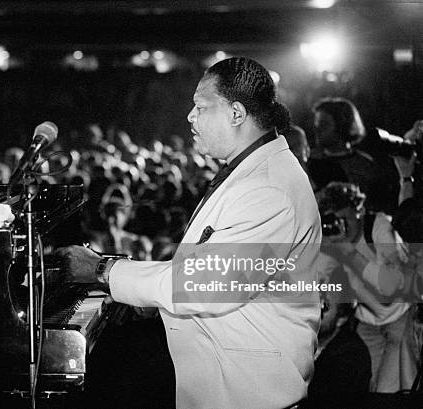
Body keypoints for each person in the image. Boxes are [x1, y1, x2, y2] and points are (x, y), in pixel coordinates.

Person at [57, 57, 321, 409]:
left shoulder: (268, 187)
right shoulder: (252, 171)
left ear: (236, 113)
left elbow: (205, 283)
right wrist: (148, 300)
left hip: (248, 393)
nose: (190, 117)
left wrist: (102, 270)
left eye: (200, 107)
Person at [316, 182, 417, 392]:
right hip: (366, 323)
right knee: (368, 388)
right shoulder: (331, 242)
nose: (339, 226)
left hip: (399, 318)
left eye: (342, 218)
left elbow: (390, 288)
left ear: (358, 211)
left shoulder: (378, 226)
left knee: (387, 391)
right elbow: (319, 282)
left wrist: (347, 251)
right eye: (332, 219)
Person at [308, 97, 400, 213]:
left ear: (342, 125)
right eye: (316, 124)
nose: (317, 129)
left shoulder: (366, 166)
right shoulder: (309, 162)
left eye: (324, 124)